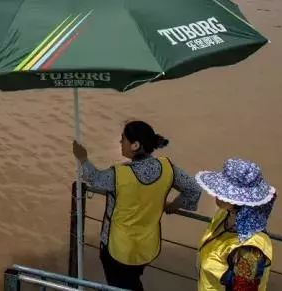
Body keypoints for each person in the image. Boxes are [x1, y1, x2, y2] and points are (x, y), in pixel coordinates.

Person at [73, 120, 201, 290]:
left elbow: (94, 178)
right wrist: (173, 206)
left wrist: (82, 159)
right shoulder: (167, 167)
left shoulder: (119, 175)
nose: (120, 143)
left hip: (117, 248)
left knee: (120, 285)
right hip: (147, 246)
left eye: (123, 139)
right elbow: (193, 190)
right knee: (132, 280)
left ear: (135, 145)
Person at [195, 159, 275, 291]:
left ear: (240, 202)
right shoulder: (223, 215)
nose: (216, 194)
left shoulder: (251, 248)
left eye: (223, 192)